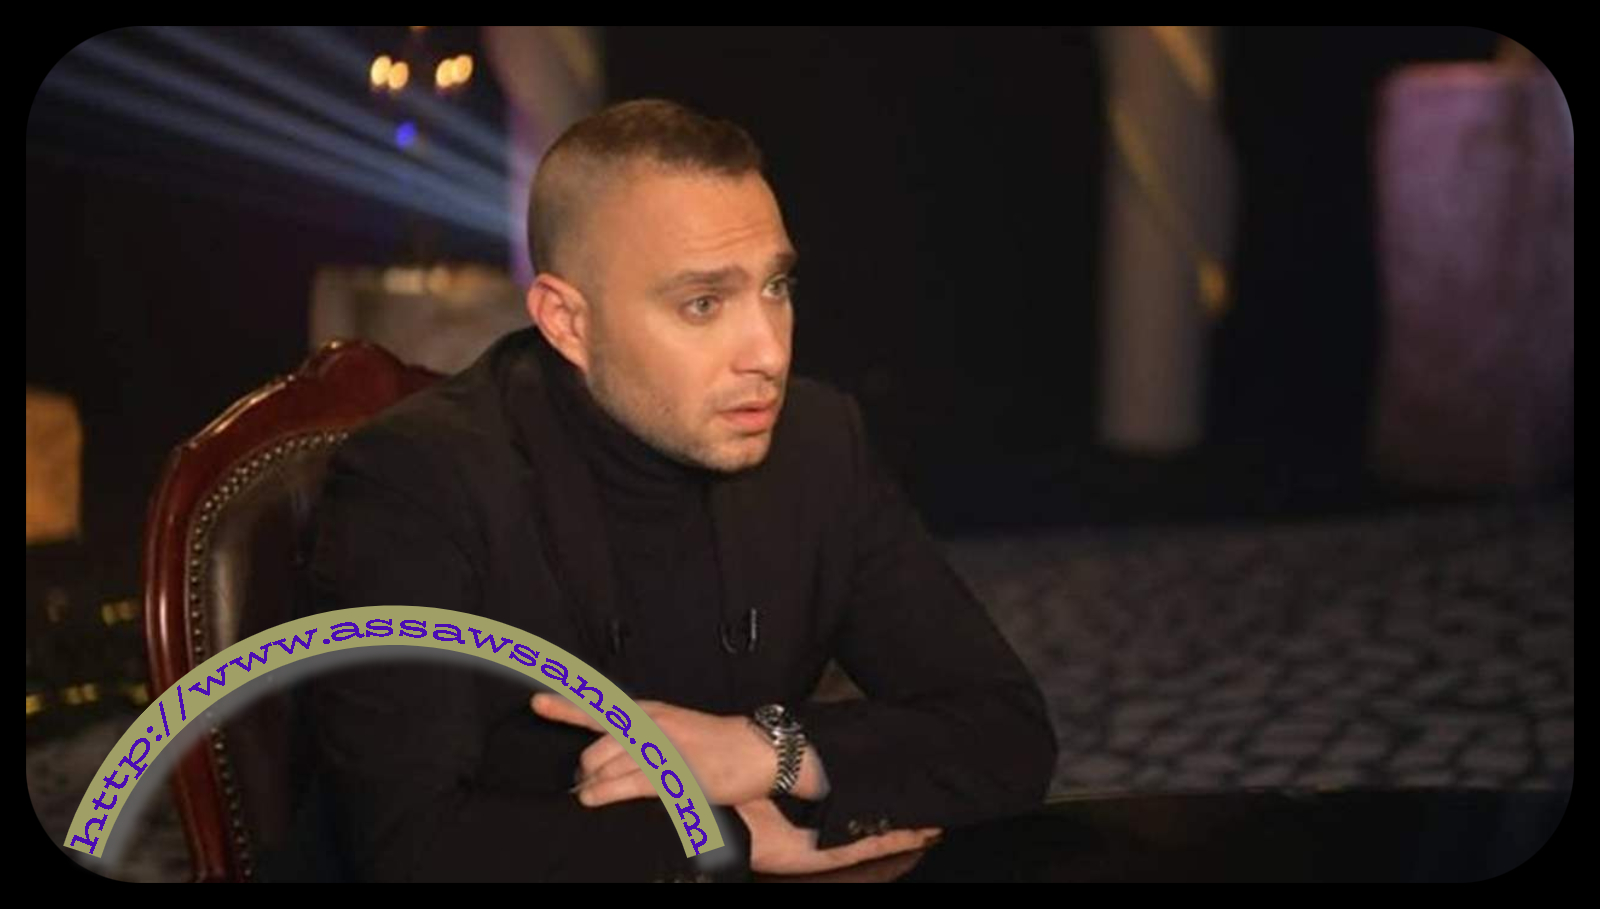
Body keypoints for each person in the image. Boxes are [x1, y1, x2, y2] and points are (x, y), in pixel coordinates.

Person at [297, 98, 1056, 882]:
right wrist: (717, 832)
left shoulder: (820, 442)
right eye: (703, 303)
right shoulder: (417, 481)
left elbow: (1006, 731)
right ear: (566, 321)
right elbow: (408, 849)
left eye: (776, 286)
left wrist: (770, 750)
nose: (767, 351)